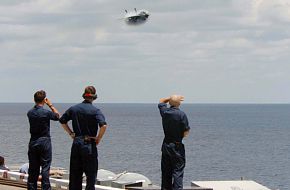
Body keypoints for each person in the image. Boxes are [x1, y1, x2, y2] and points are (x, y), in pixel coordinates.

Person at [59, 86, 107, 190]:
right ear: (94, 97)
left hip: (77, 142)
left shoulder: (74, 109)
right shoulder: (95, 111)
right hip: (89, 143)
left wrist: (71, 133)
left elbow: (62, 120)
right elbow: (103, 125)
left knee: (75, 174)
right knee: (91, 175)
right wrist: (98, 138)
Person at [27, 90, 59, 190]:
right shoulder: (46, 113)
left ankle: (32, 188)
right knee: (45, 168)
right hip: (44, 141)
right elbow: (57, 116)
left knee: (33, 168)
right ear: (44, 100)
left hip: (33, 141)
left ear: (34, 99)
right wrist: (50, 105)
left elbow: (34, 110)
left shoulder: (30, 113)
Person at [158, 95, 190, 190]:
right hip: (177, 146)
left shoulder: (165, 112)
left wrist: (171, 98)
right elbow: (186, 132)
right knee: (178, 172)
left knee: (166, 172)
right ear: (179, 103)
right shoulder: (181, 115)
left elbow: (161, 101)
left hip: (166, 145)